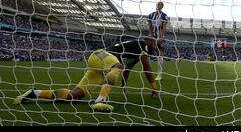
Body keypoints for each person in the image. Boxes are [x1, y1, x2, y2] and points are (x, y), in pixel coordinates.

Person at [13, 39, 159, 111]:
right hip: (101, 54)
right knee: (118, 66)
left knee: (73, 96)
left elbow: (127, 70)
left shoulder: (133, 54)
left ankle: (34, 93)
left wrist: (124, 86)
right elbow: (147, 68)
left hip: (101, 66)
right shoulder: (142, 45)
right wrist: (154, 87)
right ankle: (99, 101)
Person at [148, 1, 168, 81]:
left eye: (159, 5)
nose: (157, 5)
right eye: (157, 4)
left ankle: (159, 74)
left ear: (162, 6)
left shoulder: (164, 15)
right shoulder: (151, 15)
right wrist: (151, 35)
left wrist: (161, 37)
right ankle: (148, 72)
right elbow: (149, 26)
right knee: (148, 52)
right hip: (152, 36)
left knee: (159, 53)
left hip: (159, 36)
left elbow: (164, 27)